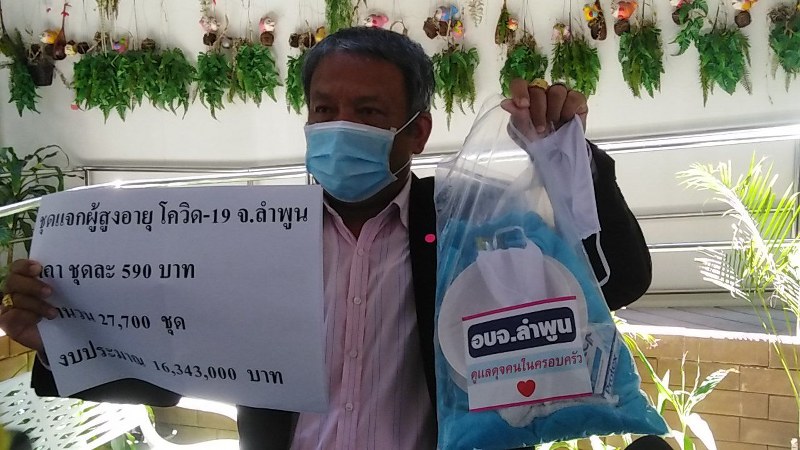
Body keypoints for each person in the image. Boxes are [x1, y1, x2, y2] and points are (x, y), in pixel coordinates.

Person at [0, 27, 659, 449]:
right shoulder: (245, 237)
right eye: (324, 110)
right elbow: (171, 367)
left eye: (368, 113)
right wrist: (62, 343)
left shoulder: (468, 223)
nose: (340, 127)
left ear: (417, 131)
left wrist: (567, 159)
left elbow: (616, 281)